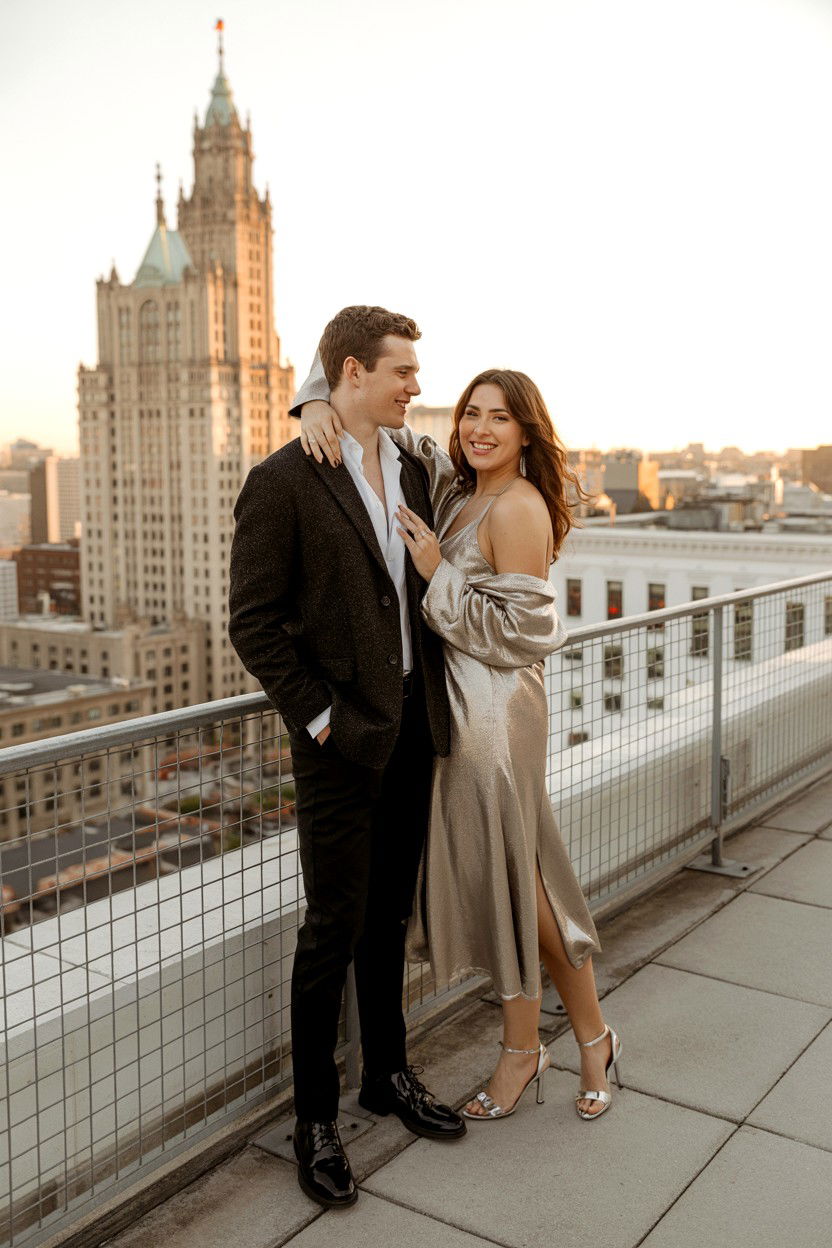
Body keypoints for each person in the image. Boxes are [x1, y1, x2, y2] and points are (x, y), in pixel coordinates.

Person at [295, 362, 624, 1125]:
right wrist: (314, 404)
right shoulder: (455, 486)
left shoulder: (515, 507)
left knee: (511, 882)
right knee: (529, 882)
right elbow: (382, 418)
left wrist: (437, 573)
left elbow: (525, 635)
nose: (478, 427)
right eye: (471, 412)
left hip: (495, 715)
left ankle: (521, 1049)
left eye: (499, 418)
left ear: (526, 432)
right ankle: (594, 1037)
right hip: (457, 712)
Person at [229, 306, 465, 1212]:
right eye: (403, 370)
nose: (417, 385)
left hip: (414, 723)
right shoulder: (284, 479)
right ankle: (315, 1121)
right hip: (339, 740)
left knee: (386, 917)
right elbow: (253, 619)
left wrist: (311, 401)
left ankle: (387, 1076)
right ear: (353, 373)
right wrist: (318, 718)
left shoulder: (415, 462)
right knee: (330, 928)